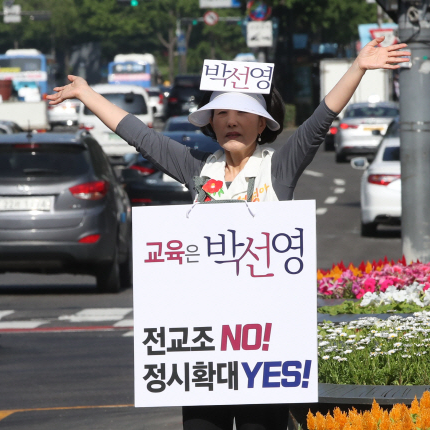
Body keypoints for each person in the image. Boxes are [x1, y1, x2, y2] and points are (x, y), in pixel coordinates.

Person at [47, 36, 409, 430]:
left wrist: (358, 67)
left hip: (266, 347)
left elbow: (322, 118)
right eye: (221, 113)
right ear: (210, 122)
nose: (230, 121)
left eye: (242, 113)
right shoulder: (196, 168)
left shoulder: (280, 166)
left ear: (262, 123)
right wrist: (86, 93)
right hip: (206, 349)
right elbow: (140, 135)